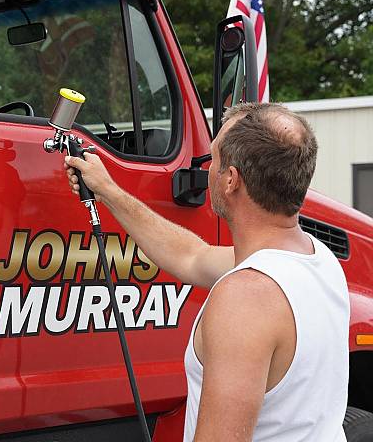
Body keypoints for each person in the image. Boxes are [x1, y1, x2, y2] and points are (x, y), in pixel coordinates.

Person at [64, 102, 350, 442]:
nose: (208, 169)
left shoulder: (246, 298)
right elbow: (192, 256)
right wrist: (109, 190)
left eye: (213, 159)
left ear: (231, 180)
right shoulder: (318, 260)